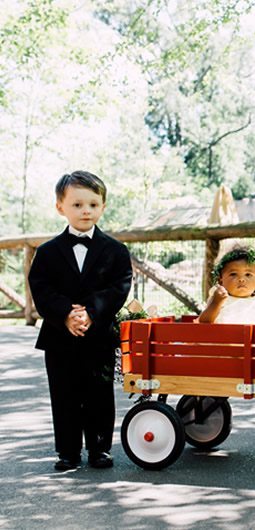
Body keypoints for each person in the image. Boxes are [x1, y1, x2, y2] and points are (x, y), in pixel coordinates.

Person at [28, 171, 133, 471]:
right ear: (60, 207)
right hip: (59, 336)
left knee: (99, 392)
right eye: (76, 205)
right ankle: (68, 451)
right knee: (64, 394)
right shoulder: (47, 252)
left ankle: (100, 448)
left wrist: (90, 312)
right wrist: (66, 314)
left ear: (103, 206)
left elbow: (119, 286)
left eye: (92, 204)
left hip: (98, 333)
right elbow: (41, 288)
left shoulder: (115, 250)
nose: (85, 210)